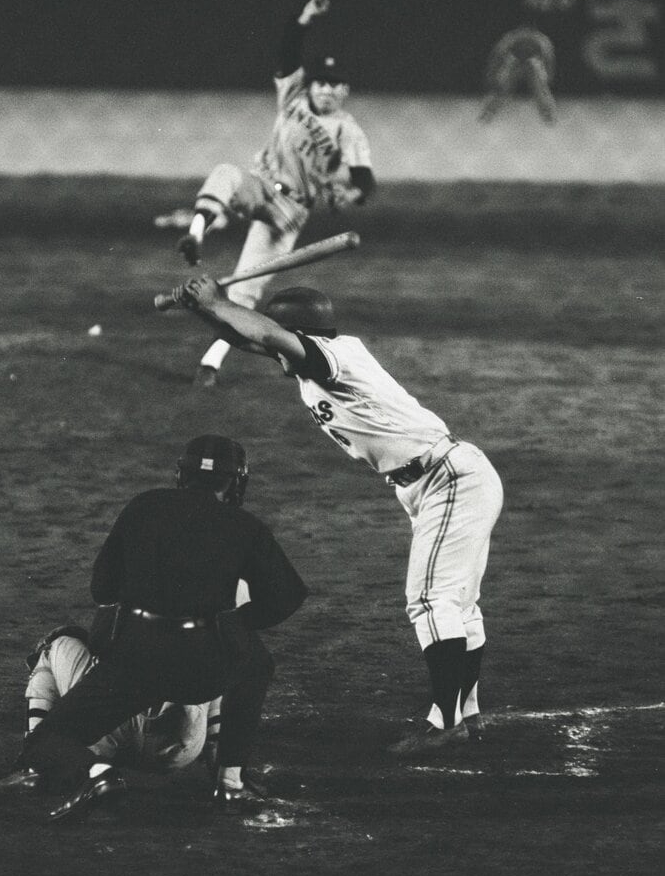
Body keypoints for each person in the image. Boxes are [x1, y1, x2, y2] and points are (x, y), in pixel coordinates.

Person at [171, 281, 504, 755]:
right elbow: (252, 339)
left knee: (432, 601)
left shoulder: (334, 359)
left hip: (448, 480)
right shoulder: (314, 358)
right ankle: (465, 714)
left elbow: (267, 335)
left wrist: (218, 301)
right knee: (459, 604)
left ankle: (446, 723)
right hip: (438, 481)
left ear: (299, 333)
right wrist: (202, 309)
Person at [15, 434, 307, 821]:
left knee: (45, 740)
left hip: (134, 662)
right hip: (201, 669)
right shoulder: (245, 525)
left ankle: (96, 773)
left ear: (181, 474)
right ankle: (230, 780)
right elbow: (287, 596)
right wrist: (233, 624)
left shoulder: (144, 505)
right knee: (256, 664)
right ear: (236, 482)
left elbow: (102, 588)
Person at [167, 0, 375, 387]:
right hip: (260, 185)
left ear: (345, 91)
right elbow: (288, 52)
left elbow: (364, 180)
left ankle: (210, 363)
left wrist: (349, 196)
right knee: (226, 173)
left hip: (288, 212)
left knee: (245, 289)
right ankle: (195, 233)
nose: (326, 89)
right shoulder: (293, 96)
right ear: (311, 85)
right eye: (321, 82)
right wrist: (305, 16)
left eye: (335, 85)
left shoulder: (349, 132)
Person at [0, 623, 222, 793]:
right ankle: (225, 777)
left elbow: (102, 636)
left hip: (107, 731)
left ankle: (34, 766)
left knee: (54, 644)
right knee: (220, 659)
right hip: (178, 744)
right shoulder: (217, 584)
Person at [478, 26, 557, 124]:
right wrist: (495, 73)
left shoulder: (541, 40)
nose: (525, 33)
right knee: (501, 90)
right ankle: (487, 113)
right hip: (515, 63)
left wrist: (547, 75)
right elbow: (498, 55)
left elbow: (548, 58)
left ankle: (549, 116)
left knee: (540, 90)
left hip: (531, 65)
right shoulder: (511, 38)